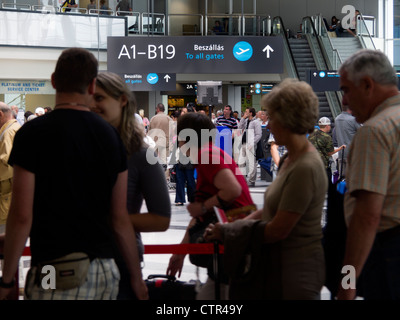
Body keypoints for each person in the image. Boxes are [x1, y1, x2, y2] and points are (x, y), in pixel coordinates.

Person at [0, 48, 148, 300]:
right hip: (103, 268)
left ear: (54, 80)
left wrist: (6, 280)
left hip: (50, 266)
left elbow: (22, 215)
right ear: (92, 86)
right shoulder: (110, 136)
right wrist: (136, 279)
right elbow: (119, 217)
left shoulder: (32, 134)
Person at [206, 78, 328, 299]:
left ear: (290, 119)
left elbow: (279, 229)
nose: (268, 125)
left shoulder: (305, 167)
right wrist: (240, 223)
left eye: (273, 117)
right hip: (280, 269)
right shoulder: (291, 158)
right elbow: (273, 210)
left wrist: (229, 231)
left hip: (295, 275)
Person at [92, 71, 171, 300]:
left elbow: (161, 218)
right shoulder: (81, 145)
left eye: (100, 98)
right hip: (75, 260)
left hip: (119, 261)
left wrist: (108, 220)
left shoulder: (140, 153)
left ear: (122, 100)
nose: (92, 106)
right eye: (88, 99)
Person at [166, 112, 256, 300]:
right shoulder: (210, 153)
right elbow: (199, 216)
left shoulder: (206, 154)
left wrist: (204, 207)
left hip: (234, 243)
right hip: (234, 242)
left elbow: (232, 190)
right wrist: (180, 253)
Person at [336, 49, 400, 300]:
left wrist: (347, 283)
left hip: (388, 255)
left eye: (346, 90)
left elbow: (366, 217)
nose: (344, 101)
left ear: (367, 85)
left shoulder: (375, 131)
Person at [0, 102, 21, 234]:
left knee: (3, 225)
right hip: (10, 185)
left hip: (6, 186)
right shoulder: (14, 127)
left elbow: (6, 159)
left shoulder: (8, 132)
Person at [308, 117, 345, 183]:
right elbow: (330, 152)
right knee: (327, 184)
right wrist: (340, 148)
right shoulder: (327, 137)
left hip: (312, 163)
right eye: (330, 125)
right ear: (327, 126)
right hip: (323, 165)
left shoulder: (311, 135)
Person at [332, 104, 361, 177]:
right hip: (352, 154)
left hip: (341, 153)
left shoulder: (337, 119)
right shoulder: (353, 120)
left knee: (342, 178)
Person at [238, 107, 262, 187]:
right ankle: (243, 179)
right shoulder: (246, 121)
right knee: (241, 162)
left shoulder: (256, 122)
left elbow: (259, 135)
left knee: (252, 163)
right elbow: (239, 128)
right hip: (244, 143)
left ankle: (252, 180)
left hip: (251, 144)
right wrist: (243, 118)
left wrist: (252, 143)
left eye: (246, 112)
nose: (245, 113)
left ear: (251, 113)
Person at [148, 103, 173, 169]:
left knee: (154, 161)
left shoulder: (153, 118)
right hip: (165, 143)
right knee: (164, 161)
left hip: (154, 143)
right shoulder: (168, 118)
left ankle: (155, 176)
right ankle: (165, 177)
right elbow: (173, 132)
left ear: (158, 109)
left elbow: (149, 132)